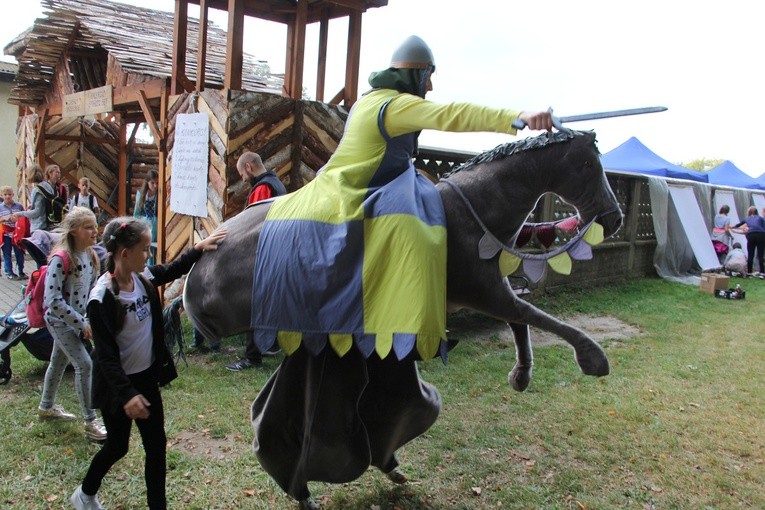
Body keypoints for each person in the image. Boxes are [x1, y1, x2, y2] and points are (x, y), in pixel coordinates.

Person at [248, 35, 553, 505]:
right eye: (428, 76)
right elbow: (448, 115)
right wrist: (517, 117)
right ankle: (302, 462)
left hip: (371, 205)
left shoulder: (377, 101)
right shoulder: (391, 105)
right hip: (350, 206)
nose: (431, 85)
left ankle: (382, 445)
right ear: (414, 74)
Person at [70, 217, 227, 510]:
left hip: (145, 380)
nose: (148, 254)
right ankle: (85, 493)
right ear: (124, 253)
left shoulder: (142, 279)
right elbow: (104, 357)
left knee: (156, 447)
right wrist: (127, 395)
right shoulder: (101, 298)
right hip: (118, 388)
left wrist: (198, 249)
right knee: (118, 446)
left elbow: (171, 269)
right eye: (144, 249)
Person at [36, 207, 106, 442]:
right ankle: (90, 422)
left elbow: (93, 291)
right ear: (74, 231)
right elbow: (52, 300)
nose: (95, 231)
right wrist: (80, 322)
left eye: (95, 226)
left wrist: (92, 318)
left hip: (79, 322)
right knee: (84, 365)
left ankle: (46, 407)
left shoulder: (92, 255)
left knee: (58, 362)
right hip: (60, 322)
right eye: (88, 227)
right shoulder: (61, 259)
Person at [221, 151, 287, 371]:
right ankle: (271, 345)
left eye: (241, 173)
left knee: (251, 303)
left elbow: (253, 225)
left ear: (249, 167)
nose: (242, 179)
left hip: (261, 254)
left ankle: (252, 357)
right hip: (276, 252)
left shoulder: (262, 189)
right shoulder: (276, 183)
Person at [0, 185, 26, 280]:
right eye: (5, 194)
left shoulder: (18, 206)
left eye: (9, 194)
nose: (7, 196)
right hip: (6, 234)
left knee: (20, 253)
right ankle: (10, 273)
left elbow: (24, 217)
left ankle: (21, 271)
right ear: (1, 195)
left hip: (16, 233)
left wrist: (17, 219)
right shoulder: (0, 207)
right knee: (7, 254)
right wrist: (4, 218)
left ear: (13, 195)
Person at [133, 169, 158, 264]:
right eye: (152, 183)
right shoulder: (141, 194)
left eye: (157, 183)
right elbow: (137, 214)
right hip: (146, 225)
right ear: (147, 182)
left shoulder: (159, 194)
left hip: (157, 227)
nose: (155, 186)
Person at [733, 206, 765, 275]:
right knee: (760, 255)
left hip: (751, 235)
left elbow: (738, 225)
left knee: (751, 254)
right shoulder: (761, 218)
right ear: (756, 212)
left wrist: (730, 227)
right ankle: (762, 272)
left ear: (749, 212)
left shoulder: (747, 218)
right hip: (761, 235)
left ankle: (749, 272)